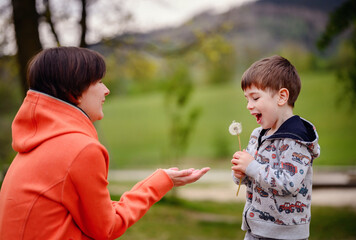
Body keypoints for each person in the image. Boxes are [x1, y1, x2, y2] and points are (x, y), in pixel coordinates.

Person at [0, 46, 210, 239]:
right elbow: (106, 227)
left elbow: (92, 214)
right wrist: (159, 182)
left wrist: (163, 179)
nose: (106, 90)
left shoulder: (36, 144)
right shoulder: (80, 149)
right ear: (74, 91)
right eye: (99, 82)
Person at [231, 55, 320, 240]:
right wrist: (241, 173)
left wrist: (252, 167)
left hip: (285, 234)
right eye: (246, 99)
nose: (249, 106)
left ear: (281, 97)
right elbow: (254, 178)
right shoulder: (258, 135)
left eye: (255, 98)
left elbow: (289, 184)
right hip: (255, 229)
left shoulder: (296, 140)